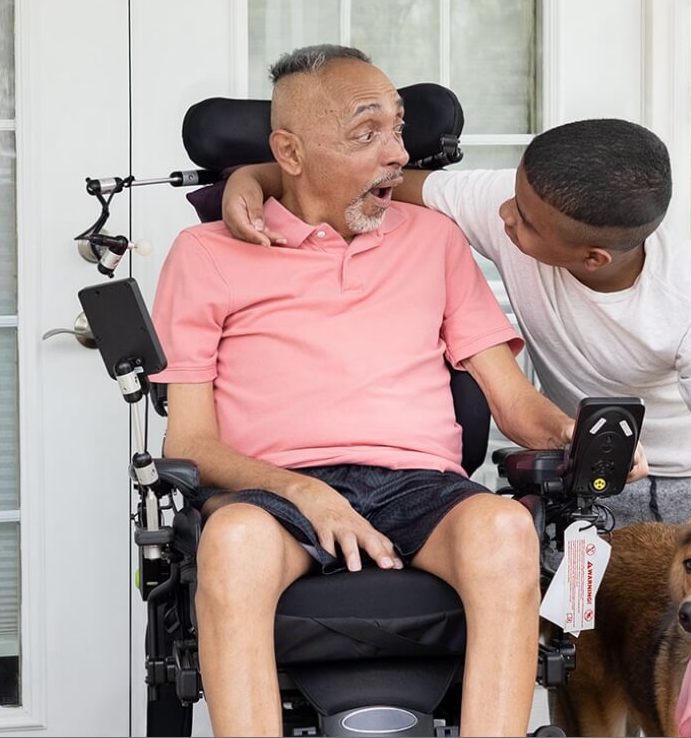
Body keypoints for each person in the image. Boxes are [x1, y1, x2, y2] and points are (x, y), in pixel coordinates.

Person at [151, 44, 643, 736]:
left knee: (506, 528)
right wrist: (304, 490)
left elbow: (510, 400)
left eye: (399, 127)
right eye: (366, 133)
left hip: (419, 488)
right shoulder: (205, 255)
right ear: (288, 154)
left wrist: (567, 431)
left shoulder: (434, 238)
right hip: (273, 490)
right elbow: (190, 442)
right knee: (230, 539)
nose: (396, 153)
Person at [223, 117, 691, 525]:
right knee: (584, 648)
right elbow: (365, 188)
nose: (505, 215)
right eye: (514, 195)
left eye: (525, 220)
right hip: (588, 471)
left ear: (592, 258)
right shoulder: (509, 206)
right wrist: (255, 178)